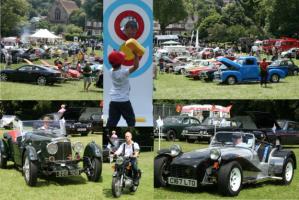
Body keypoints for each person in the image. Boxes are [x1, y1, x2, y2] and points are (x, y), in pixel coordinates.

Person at [106, 50, 139, 127]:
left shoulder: (110, 71)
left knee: (111, 122)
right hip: (124, 101)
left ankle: (108, 133)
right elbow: (136, 66)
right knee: (131, 120)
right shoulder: (123, 73)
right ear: (121, 62)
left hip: (113, 101)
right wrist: (136, 55)